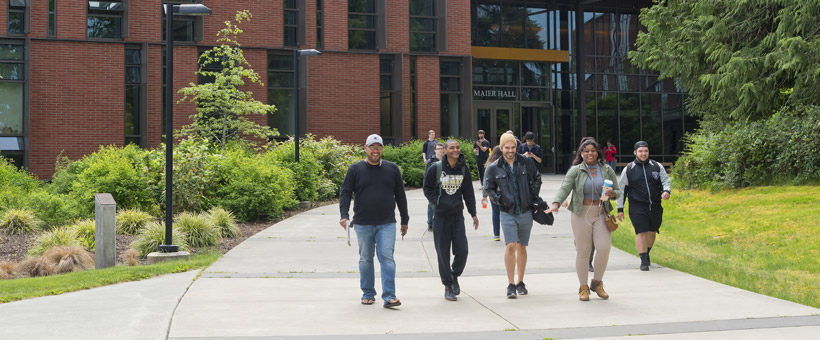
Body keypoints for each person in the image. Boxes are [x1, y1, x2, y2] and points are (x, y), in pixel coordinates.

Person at [339, 134, 409, 308]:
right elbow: (345, 192)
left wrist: (404, 219)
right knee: (365, 259)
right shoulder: (355, 169)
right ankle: (368, 293)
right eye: (372, 147)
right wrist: (344, 215)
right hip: (363, 223)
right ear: (366, 148)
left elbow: (400, 195)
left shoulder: (392, 169)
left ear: (382, 149)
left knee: (387, 257)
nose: (376, 150)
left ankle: (390, 296)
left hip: (387, 223)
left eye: (379, 147)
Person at [546, 139, 620, 301]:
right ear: (581, 153)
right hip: (581, 213)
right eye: (586, 151)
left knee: (604, 248)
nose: (590, 153)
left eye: (593, 150)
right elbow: (565, 188)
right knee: (583, 251)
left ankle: (597, 283)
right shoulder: (576, 170)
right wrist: (556, 204)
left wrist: (612, 194)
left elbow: (618, 191)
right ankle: (583, 287)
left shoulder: (606, 169)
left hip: (601, 212)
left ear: (597, 152)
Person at [484, 133, 542, 298]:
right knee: (510, 246)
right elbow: (488, 187)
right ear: (501, 148)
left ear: (517, 147)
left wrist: (532, 196)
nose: (510, 150)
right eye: (507, 147)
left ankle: (520, 281)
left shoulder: (527, 162)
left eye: (513, 147)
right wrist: (500, 199)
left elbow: (537, 178)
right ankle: (510, 284)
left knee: (522, 247)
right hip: (507, 212)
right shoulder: (494, 167)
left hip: (525, 211)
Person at [423, 139, 479, 301]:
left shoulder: (463, 169)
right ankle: (448, 285)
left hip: (457, 216)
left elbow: (468, 192)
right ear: (445, 151)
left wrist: (473, 213)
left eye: (457, 147)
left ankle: (454, 275)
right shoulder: (436, 168)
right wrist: (438, 202)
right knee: (443, 252)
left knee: (462, 250)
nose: (456, 150)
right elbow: (427, 188)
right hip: (440, 216)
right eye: (452, 148)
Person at [616, 141, 671, 271]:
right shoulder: (629, 169)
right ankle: (643, 260)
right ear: (635, 152)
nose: (643, 153)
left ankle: (647, 253)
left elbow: (665, 181)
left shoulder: (656, 166)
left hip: (655, 205)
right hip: (637, 206)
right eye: (640, 151)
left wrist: (666, 191)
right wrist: (620, 209)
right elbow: (621, 189)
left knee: (652, 231)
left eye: (645, 151)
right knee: (641, 231)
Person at [481, 146, 503, 241]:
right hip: (504, 191)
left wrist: (484, 195)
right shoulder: (504, 163)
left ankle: (496, 235)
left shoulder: (490, 164)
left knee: (495, 212)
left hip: (493, 191)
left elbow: (485, 180)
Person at [424, 142, 445, 232]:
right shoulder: (431, 161)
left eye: (441, 149)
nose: (440, 150)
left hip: (443, 186)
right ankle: (430, 223)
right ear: (435, 150)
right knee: (431, 205)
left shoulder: (446, 160)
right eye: (438, 149)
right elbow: (426, 175)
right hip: (433, 187)